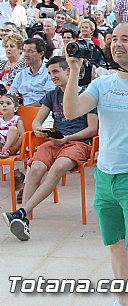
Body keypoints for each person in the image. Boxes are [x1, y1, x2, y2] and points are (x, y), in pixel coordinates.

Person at [62, 21, 128, 306]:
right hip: (105, 177)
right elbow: (71, 109)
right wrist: (74, 70)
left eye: (125, 39)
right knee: (116, 246)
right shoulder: (102, 83)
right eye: (113, 39)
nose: (117, 44)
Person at [2, 57, 98, 240]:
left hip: (78, 143)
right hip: (55, 140)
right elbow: (38, 119)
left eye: (55, 72)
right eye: (49, 73)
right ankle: (24, 219)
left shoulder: (86, 94)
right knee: (35, 167)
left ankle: (21, 212)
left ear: (68, 71)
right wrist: (39, 128)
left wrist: (68, 138)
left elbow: (92, 129)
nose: (52, 76)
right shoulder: (52, 95)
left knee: (57, 168)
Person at [8, 38, 55, 106]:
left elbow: (49, 99)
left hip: (43, 112)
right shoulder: (21, 74)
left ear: (41, 53)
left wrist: (28, 108)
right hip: (21, 111)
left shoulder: (49, 73)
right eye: (24, 51)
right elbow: (10, 95)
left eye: (30, 51)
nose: (25, 55)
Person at [0, 93, 24, 158]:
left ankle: (5, 149)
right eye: (1, 103)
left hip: (11, 147)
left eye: (8, 103)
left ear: (15, 108)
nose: (4, 105)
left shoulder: (17, 119)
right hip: (1, 143)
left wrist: (15, 147)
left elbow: (22, 135)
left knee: (13, 129)